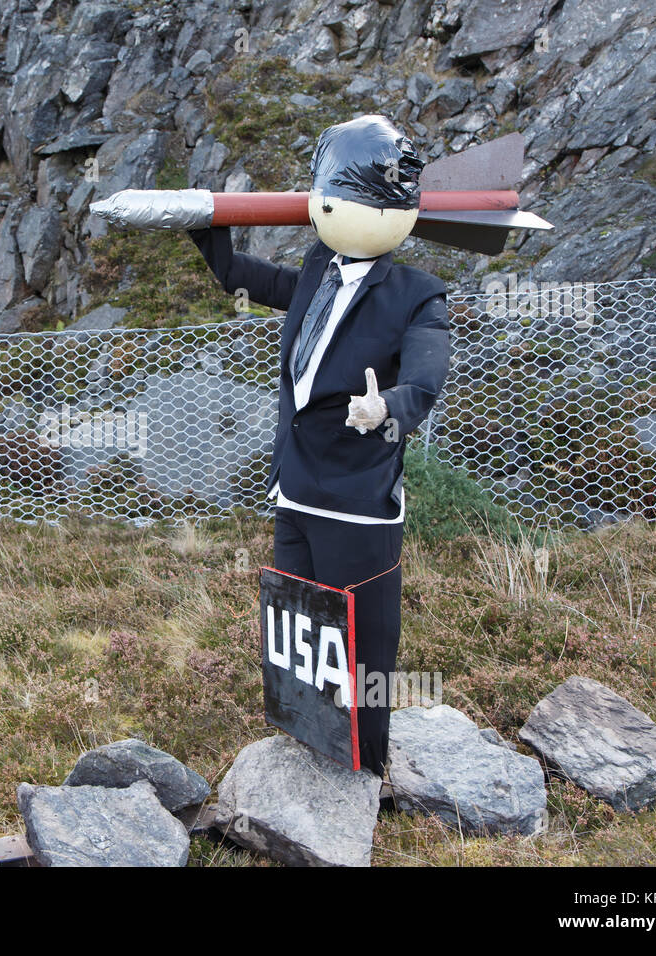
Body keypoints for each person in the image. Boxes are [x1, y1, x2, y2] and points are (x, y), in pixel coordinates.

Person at [188, 115, 451, 777]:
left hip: (357, 503)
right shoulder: (316, 267)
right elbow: (241, 279)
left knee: (364, 647)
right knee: (298, 634)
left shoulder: (418, 295)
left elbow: (423, 383)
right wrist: (200, 218)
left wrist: (382, 406)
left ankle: (367, 769)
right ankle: (309, 746)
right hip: (296, 489)